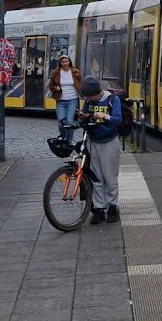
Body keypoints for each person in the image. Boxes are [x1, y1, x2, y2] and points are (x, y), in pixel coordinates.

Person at [76, 76, 121, 225]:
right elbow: (83, 121)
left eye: (91, 96)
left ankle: (113, 207)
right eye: (87, 97)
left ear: (98, 92)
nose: (89, 99)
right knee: (97, 178)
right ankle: (100, 209)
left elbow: (118, 120)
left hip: (109, 142)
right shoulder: (89, 101)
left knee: (110, 177)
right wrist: (82, 117)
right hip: (93, 142)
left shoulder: (113, 100)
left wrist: (105, 116)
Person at [48, 55, 82, 141]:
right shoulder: (56, 73)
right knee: (61, 123)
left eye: (66, 61)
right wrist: (55, 88)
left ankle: (68, 142)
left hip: (72, 99)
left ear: (69, 62)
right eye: (62, 62)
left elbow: (81, 84)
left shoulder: (75, 72)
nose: (65, 63)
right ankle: (64, 138)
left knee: (69, 122)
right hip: (60, 100)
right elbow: (51, 86)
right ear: (60, 63)